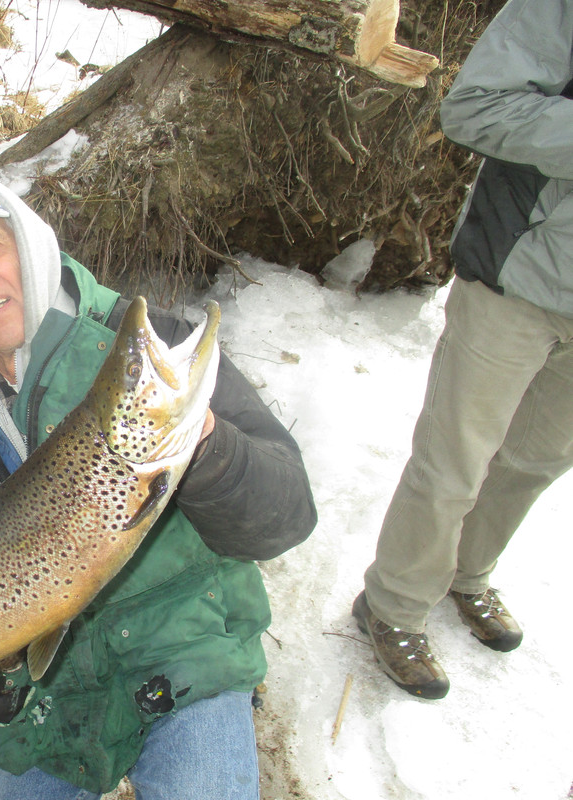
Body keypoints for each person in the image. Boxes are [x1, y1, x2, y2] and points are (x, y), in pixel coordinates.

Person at [0, 168, 316, 799]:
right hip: (39, 697)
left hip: (186, 652)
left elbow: (287, 518)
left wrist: (207, 445)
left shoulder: (152, 344)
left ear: (30, 244)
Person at [353, 0, 573, 700]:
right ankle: (392, 606)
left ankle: (466, 575)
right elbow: (475, 108)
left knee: (535, 461)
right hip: (520, 276)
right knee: (454, 462)